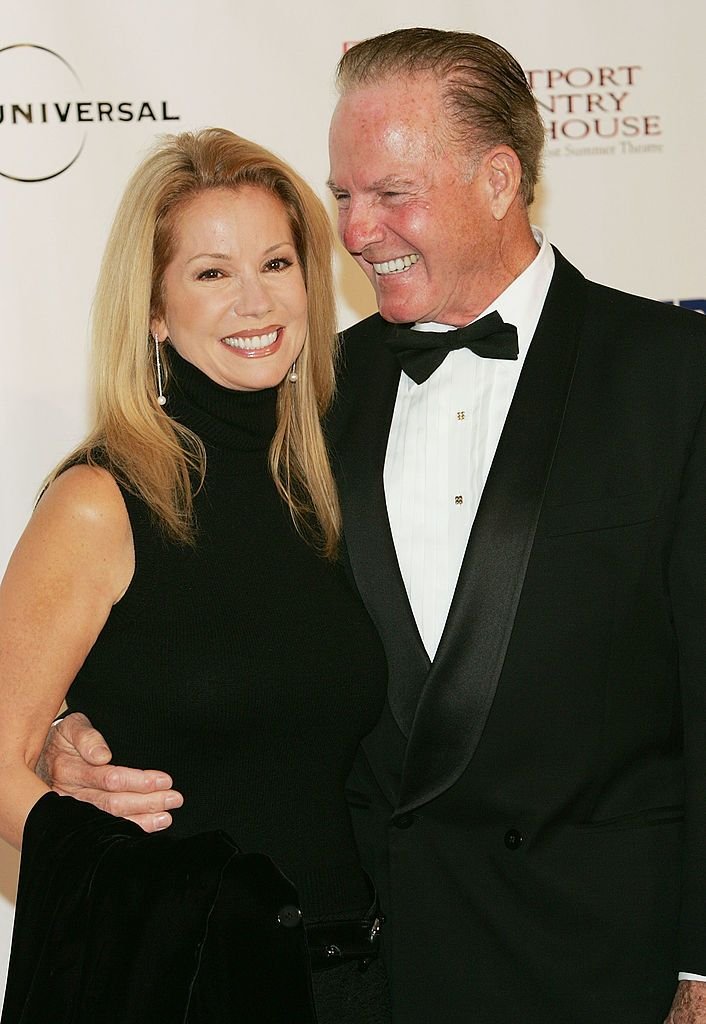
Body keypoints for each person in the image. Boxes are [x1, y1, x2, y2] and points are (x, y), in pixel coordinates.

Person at [42, 28, 706, 1024]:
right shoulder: (314, 401)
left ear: (496, 178)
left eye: (390, 193)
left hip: (606, 965)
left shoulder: (670, 370)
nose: (352, 232)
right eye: (343, 194)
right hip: (373, 970)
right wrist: (62, 735)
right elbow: (211, 618)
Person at [0, 127, 391, 1023]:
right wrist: (135, 887)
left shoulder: (331, 480)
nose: (254, 300)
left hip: (356, 981)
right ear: (153, 309)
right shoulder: (104, 499)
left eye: (277, 262)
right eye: (211, 273)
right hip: (181, 988)